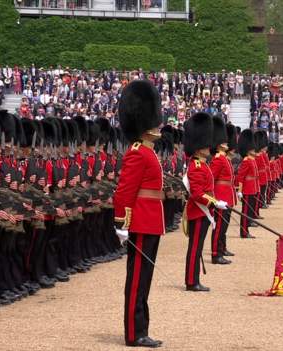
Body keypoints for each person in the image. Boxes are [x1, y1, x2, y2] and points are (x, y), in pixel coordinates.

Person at [114, 80, 165, 348]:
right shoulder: (137, 153)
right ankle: (134, 332)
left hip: (151, 222)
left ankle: (141, 328)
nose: (158, 124)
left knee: (144, 279)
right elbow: (124, 192)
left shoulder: (148, 153)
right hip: (141, 223)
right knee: (137, 280)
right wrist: (121, 223)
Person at [182, 112, 228, 292]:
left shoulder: (203, 164)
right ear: (198, 146)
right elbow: (197, 193)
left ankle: (193, 279)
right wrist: (214, 203)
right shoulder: (196, 166)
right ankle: (191, 281)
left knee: (197, 246)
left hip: (202, 210)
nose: (209, 146)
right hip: (198, 211)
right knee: (195, 247)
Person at [209, 117, 235, 265]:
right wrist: (215, 199)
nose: (226, 143)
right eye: (223, 141)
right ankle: (215, 253)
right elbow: (211, 179)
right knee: (218, 227)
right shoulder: (218, 159)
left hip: (227, 195)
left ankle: (221, 248)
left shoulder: (224, 158)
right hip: (220, 196)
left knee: (223, 226)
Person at [235, 129, 258, 239]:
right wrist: (239, 191)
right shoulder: (246, 160)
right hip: (247, 189)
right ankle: (243, 232)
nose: (254, 150)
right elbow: (241, 176)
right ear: (248, 149)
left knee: (249, 211)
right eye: (252, 149)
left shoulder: (252, 160)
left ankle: (246, 228)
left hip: (252, 187)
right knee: (245, 211)